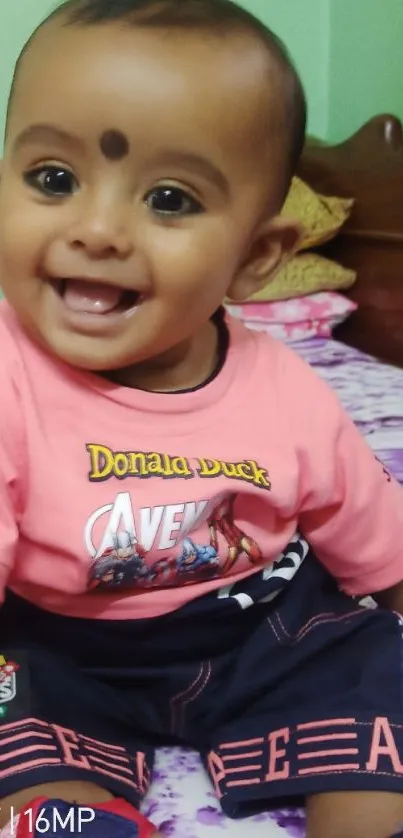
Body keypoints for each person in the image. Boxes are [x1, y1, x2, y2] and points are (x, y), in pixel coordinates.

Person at [0, 1, 403, 836]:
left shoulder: (283, 385)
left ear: (254, 260)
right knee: (11, 715)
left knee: (375, 662)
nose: (97, 229)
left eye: (170, 198)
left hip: (262, 627)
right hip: (61, 643)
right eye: (52, 179)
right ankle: (74, 816)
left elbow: (370, 532)